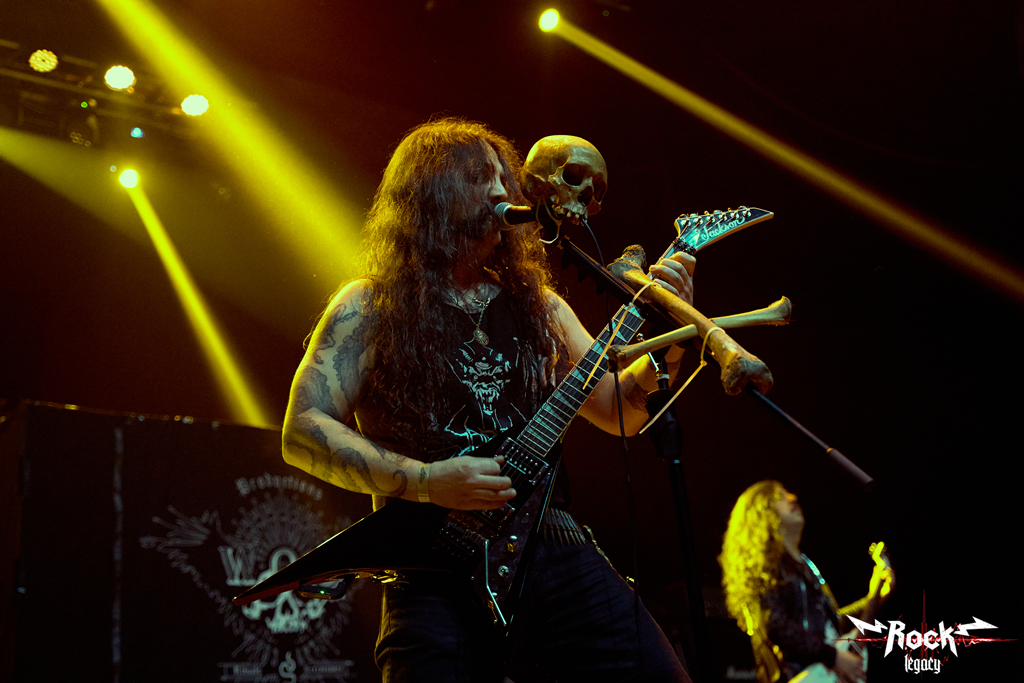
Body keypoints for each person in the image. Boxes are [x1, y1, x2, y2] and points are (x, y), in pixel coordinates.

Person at [280, 117, 696, 682]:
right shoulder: (370, 306)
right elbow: (304, 428)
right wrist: (426, 481)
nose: (502, 190)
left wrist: (670, 342)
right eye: (480, 176)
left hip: (553, 544)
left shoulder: (541, 307)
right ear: (431, 191)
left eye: (505, 177)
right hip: (432, 566)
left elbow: (618, 410)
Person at [718, 481, 894, 683]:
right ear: (762, 512)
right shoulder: (764, 562)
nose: (793, 498)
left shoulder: (805, 565)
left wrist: (874, 598)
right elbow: (776, 624)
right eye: (780, 496)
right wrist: (833, 657)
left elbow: (831, 625)